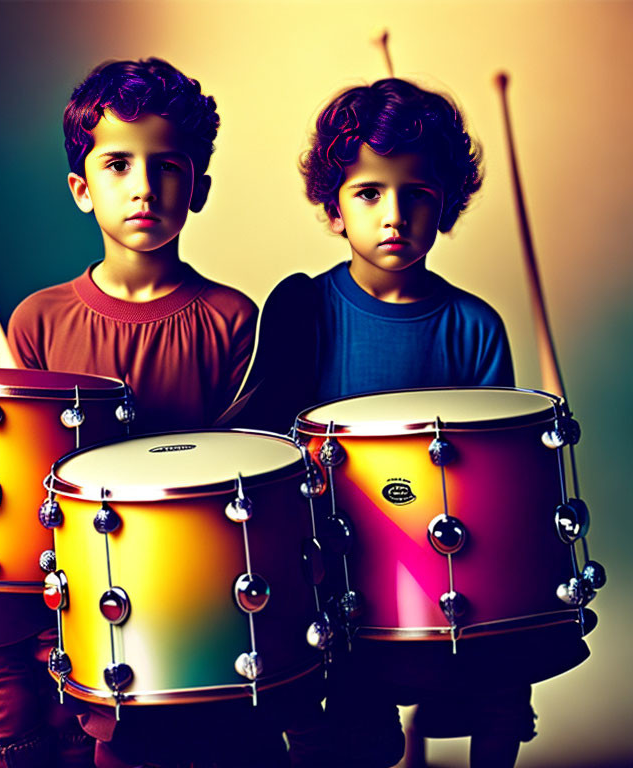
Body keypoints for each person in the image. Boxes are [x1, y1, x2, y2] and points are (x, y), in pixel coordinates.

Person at [230, 78, 592, 768]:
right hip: (344, 565)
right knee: (356, 726)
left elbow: (499, 476)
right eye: (369, 193)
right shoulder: (307, 311)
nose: (393, 214)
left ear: (446, 207)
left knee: (502, 690)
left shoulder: (474, 325)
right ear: (333, 210)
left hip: (457, 562)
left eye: (417, 193)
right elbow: (273, 444)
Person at [0, 59, 262, 768]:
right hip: (63, 573)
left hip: (182, 584)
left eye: (166, 166)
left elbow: (235, 480)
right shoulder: (37, 320)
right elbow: (20, 481)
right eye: (118, 164)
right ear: (80, 188)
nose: (143, 186)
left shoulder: (230, 319)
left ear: (199, 187)